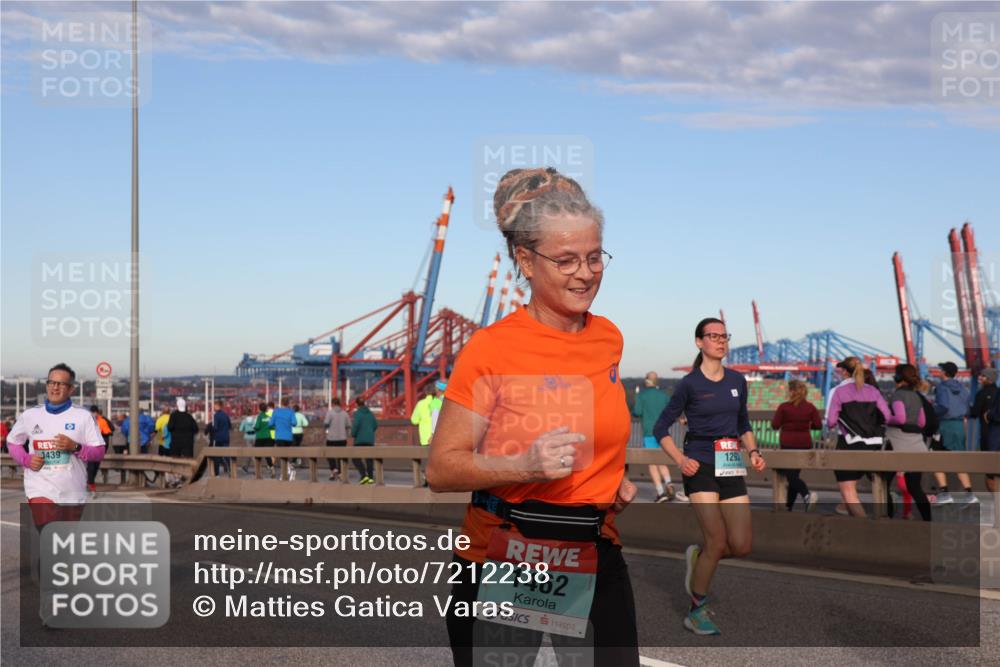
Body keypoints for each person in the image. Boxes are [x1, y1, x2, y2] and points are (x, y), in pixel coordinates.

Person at [427, 167, 639, 666]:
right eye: (565, 260)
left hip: (592, 548)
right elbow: (441, 469)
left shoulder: (609, 337)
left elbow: (596, 431)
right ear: (525, 259)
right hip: (505, 552)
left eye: (594, 257)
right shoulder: (491, 348)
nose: (585, 274)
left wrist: (613, 479)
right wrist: (528, 465)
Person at [653, 317, 766, 636]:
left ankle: (699, 558)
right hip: (699, 465)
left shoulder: (737, 381)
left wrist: (754, 451)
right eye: (712, 336)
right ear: (699, 342)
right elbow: (660, 428)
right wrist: (680, 459)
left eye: (724, 335)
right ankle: (696, 610)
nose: (720, 341)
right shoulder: (689, 384)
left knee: (741, 545)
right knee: (717, 540)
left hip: (730, 463)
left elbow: (743, 422)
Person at [5, 363, 104, 524]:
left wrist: (75, 447)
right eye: (51, 382)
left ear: (71, 389)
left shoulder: (83, 417)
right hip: (39, 487)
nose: (55, 387)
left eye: (61, 384)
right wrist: (26, 460)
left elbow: (99, 452)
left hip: (72, 491)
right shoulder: (31, 415)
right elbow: (13, 442)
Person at [826, 356, 891, 518]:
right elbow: (888, 417)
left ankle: (867, 528)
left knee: (848, 490)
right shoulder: (873, 390)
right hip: (874, 444)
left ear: (845, 372)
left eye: (841, 369)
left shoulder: (838, 391)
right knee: (877, 484)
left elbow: (831, 422)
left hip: (849, 443)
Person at [884, 364, 932, 521]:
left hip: (897, 442)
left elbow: (900, 418)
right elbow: (922, 422)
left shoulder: (898, 395)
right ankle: (927, 519)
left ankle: (887, 517)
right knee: (915, 487)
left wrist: (886, 419)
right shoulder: (916, 396)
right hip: (916, 444)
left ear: (897, 378)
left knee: (883, 483)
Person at [633, 371, 686, 503]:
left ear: (646, 381)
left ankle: (660, 492)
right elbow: (672, 410)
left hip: (649, 433)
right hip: (663, 433)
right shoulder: (663, 396)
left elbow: (637, 412)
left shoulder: (642, 396)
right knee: (661, 460)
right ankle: (669, 482)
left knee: (652, 463)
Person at [932, 362, 978, 506]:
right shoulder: (963, 388)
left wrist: (930, 412)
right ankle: (969, 493)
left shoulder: (941, 387)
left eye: (940, 370)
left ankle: (945, 493)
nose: (939, 372)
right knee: (959, 460)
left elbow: (943, 407)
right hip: (959, 426)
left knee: (935, 459)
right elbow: (969, 410)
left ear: (944, 372)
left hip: (945, 426)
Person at [771, 379, 821, 511]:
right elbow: (818, 425)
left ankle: (807, 495)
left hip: (788, 444)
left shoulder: (784, 407)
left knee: (791, 477)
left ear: (792, 391)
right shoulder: (810, 407)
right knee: (794, 476)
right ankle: (789, 507)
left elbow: (775, 425)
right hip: (804, 444)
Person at [86, 406, 114, 493]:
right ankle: (90, 483)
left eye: (94, 412)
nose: (93, 414)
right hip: (91, 447)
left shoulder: (103, 420)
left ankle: (90, 482)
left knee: (95, 466)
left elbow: (110, 431)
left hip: (100, 447)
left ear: (97, 413)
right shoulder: (87, 421)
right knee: (91, 466)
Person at [269, 399, 297, 480]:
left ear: (281, 403)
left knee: (282, 455)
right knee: (285, 455)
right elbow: (294, 423)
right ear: (288, 403)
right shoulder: (291, 411)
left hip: (279, 436)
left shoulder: (276, 411)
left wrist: (277, 425)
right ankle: (284, 473)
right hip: (288, 437)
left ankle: (290, 470)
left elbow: (270, 424)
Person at [323, 398, 351, 480]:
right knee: (341, 456)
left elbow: (326, 423)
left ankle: (333, 469)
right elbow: (349, 425)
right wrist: (347, 435)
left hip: (331, 438)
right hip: (342, 438)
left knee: (329, 454)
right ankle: (341, 472)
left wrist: (327, 428)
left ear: (333, 404)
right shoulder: (345, 413)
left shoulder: (330, 413)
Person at [350, 398, 377, 484]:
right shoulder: (370, 413)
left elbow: (355, 426)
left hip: (359, 440)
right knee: (369, 459)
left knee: (355, 458)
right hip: (370, 439)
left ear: (357, 404)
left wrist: (353, 434)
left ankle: (363, 475)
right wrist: (369, 432)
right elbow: (375, 425)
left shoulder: (357, 414)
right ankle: (371, 478)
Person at [211, 400, 232, 476]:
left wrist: (211, 428)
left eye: (214, 406)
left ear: (218, 406)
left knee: (217, 455)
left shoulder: (216, 415)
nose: (213, 407)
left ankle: (216, 472)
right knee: (227, 454)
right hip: (226, 437)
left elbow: (215, 427)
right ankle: (229, 469)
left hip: (218, 437)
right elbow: (230, 426)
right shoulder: (226, 415)